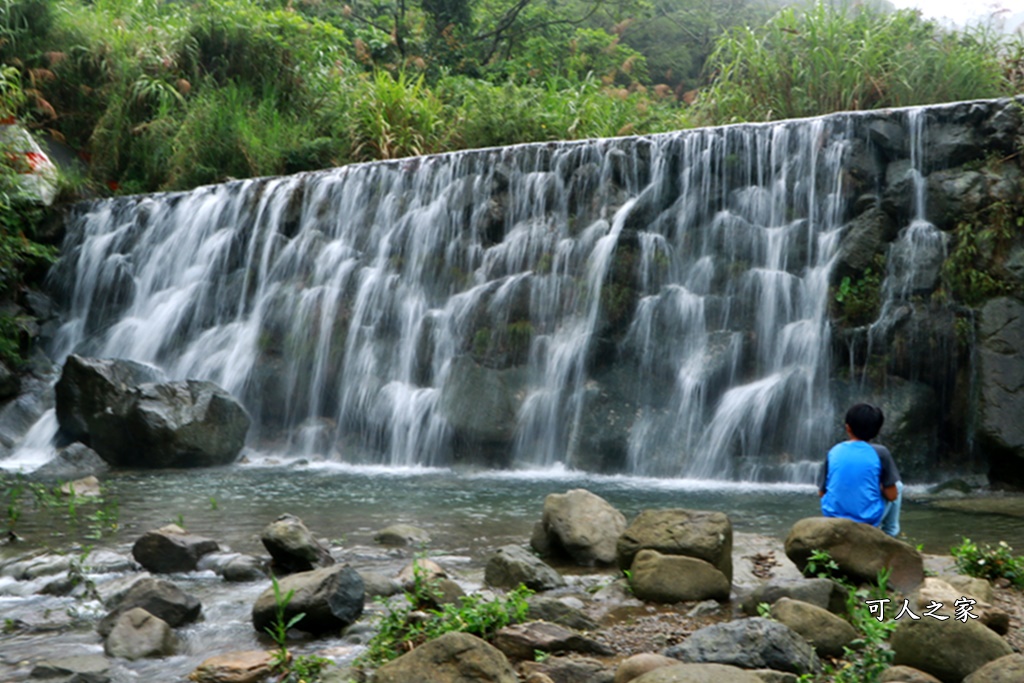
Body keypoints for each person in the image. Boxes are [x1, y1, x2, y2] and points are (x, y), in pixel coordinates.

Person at [818, 403, 902, 536]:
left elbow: (822, 493)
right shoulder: (881, 452)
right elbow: (892, 496)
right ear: (877, 431)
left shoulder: (834, 451)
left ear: (848, 428)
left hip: (833, 518)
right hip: (867, 520)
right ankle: (889, 535)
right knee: (898, 486)